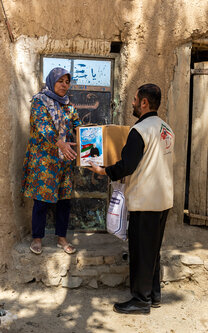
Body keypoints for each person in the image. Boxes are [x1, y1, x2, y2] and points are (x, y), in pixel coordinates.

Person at [88, 84, 174, 315]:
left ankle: (140, 300)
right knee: (152, 250)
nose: (133, 104)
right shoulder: (165, 128)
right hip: (163, 199)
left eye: (135, 100)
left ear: (144, 103)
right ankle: (153, 295)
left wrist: (104, 171)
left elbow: (127, 165)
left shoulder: (140, 130)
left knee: (140, 251)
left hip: (145, 201)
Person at [21, 67, 81, 255]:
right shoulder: (40, 102)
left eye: (67, 82)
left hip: (64, 161)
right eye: (60, 81)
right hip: (44, 161)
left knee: (64, 200)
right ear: (51, 81)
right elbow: (43, 128)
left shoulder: (68, 105)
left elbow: (78, 125)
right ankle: (37, 238)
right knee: (41, 200)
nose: (64, 85)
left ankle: (61, 238)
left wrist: (92, 140)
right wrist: (60, 143)